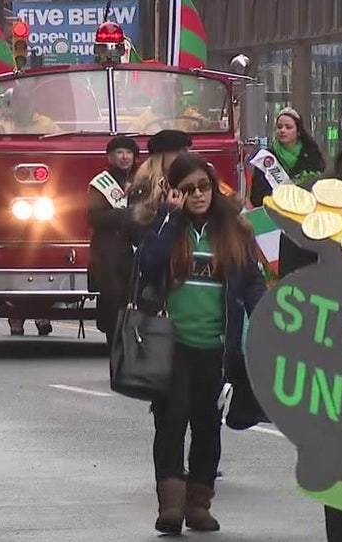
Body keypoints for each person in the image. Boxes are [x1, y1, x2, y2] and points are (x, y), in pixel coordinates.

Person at [137, 153, 265, 535]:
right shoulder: (165, 225)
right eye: (188, 189)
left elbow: (252, 283)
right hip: (170, 347)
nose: (197, 195)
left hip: (216, 348)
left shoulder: (234, 231)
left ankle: (198, 504)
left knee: (208, 427)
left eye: (203, 187)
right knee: (171, 423)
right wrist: (170, 217)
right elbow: (148, 266)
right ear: (174, 192)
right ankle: (171, 506)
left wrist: (266, 320)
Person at [87, 136, 140, 343]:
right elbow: (94, 217)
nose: (125, 157)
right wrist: (128, 214)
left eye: (129, 152)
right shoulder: (100, 184)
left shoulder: (142, 180)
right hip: (109, 255)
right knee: (113, 305)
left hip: (136, 252)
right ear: (110, 157)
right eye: (120, 152)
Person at [249, 107, 325, 207]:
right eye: (279, 127)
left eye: (288, 127)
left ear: (298, 131)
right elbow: (256, 197)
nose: (283, 130)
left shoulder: (312, 155)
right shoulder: (266, 159)